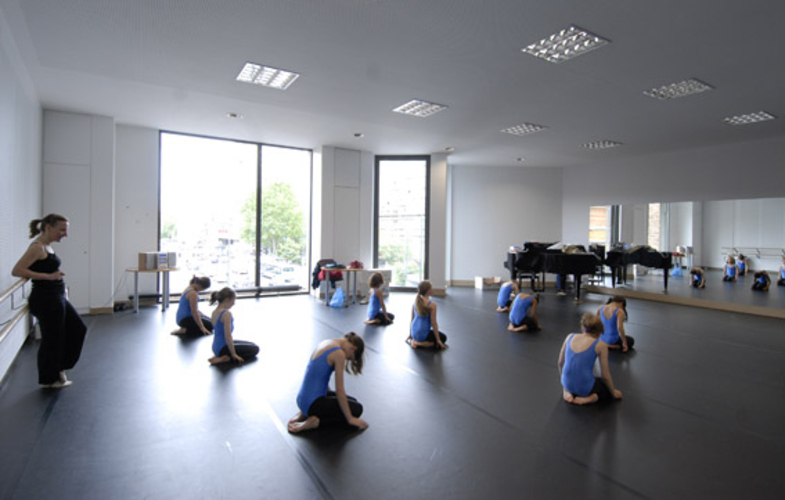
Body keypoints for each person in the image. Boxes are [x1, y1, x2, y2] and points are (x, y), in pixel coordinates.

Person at [12, 214, 87, 389]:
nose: (65, 234)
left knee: (77, 328)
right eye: (62, 230)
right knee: (52, 338)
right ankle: (49, 379)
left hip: (56, 295)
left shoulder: (47, 246)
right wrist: (48, 276)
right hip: (46, 298)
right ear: (48, 228)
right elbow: (17, 270)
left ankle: (59, 368)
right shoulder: (37, 248)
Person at [288, 332, 368, 433]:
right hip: (314, 404)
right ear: (353, 349)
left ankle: (304, 413)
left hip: (302, 399)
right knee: (357, 409)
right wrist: (350, 419)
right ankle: (316, 422)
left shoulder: (326, 343)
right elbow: (340, 390)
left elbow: (318, 376)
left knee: (352, 401)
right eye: (349, 358)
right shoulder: (339, 353)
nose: (346, 359)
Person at [558, 313, 623, 405]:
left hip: (567, 383)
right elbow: (605, 375)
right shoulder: (601, 345)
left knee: (577, 376)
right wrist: (614, 393)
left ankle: (566, 390)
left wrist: (565, 385)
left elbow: (560, 363)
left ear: (583, 327)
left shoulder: (570, 336)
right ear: (599, 332)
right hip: (584, 389)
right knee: (605, 388)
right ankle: (589, 398)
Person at [208, 287, 259, 365]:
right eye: (233, 300)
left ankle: (220, 355)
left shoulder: (215, 311)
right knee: (255, 349)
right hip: (223, 348)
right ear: (227, 300)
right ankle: (225, 357)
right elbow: (228, 336)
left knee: (252, 344)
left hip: (216, 347)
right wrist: (233, 354)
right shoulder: (226, 314)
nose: (234, 303)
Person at [408, 280, 448, 349]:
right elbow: (434, 323)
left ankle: (414, 340)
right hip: (423, 334)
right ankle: (419, 343)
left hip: (414, 332)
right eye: (431, 288)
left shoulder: (415, 302)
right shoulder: (432, 305)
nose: (432, 289)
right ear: (428, 290)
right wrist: (438, 340)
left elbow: (412, 320)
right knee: (443, 338)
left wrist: (410, 334)